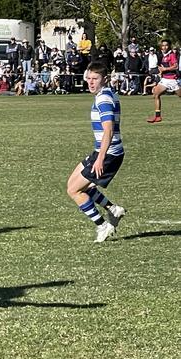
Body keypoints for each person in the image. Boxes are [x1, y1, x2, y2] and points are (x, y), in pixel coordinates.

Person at [66, 61, 126, 243]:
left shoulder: (104, 99)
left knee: (74, 191)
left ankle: (102, 225)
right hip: (101, 150)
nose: (91, 82)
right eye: (89, 78)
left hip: (108, 154)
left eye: (95, 79)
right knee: (72, 183)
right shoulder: (104, 94)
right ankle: (113, 209)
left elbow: (108, 130)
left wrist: (100, 159)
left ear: (104, 79)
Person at [146, 39, 181, 123]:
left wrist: (165, 69)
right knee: (155, 93)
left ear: (169, 46)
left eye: (166, 45)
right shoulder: (163, 55)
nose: (164, 47)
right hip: (165, 79)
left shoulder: (171, 55)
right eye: (163, 45)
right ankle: (158, 117)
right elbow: (162, 67)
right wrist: (161, 71)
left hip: (172, 80)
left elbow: (175, 66)